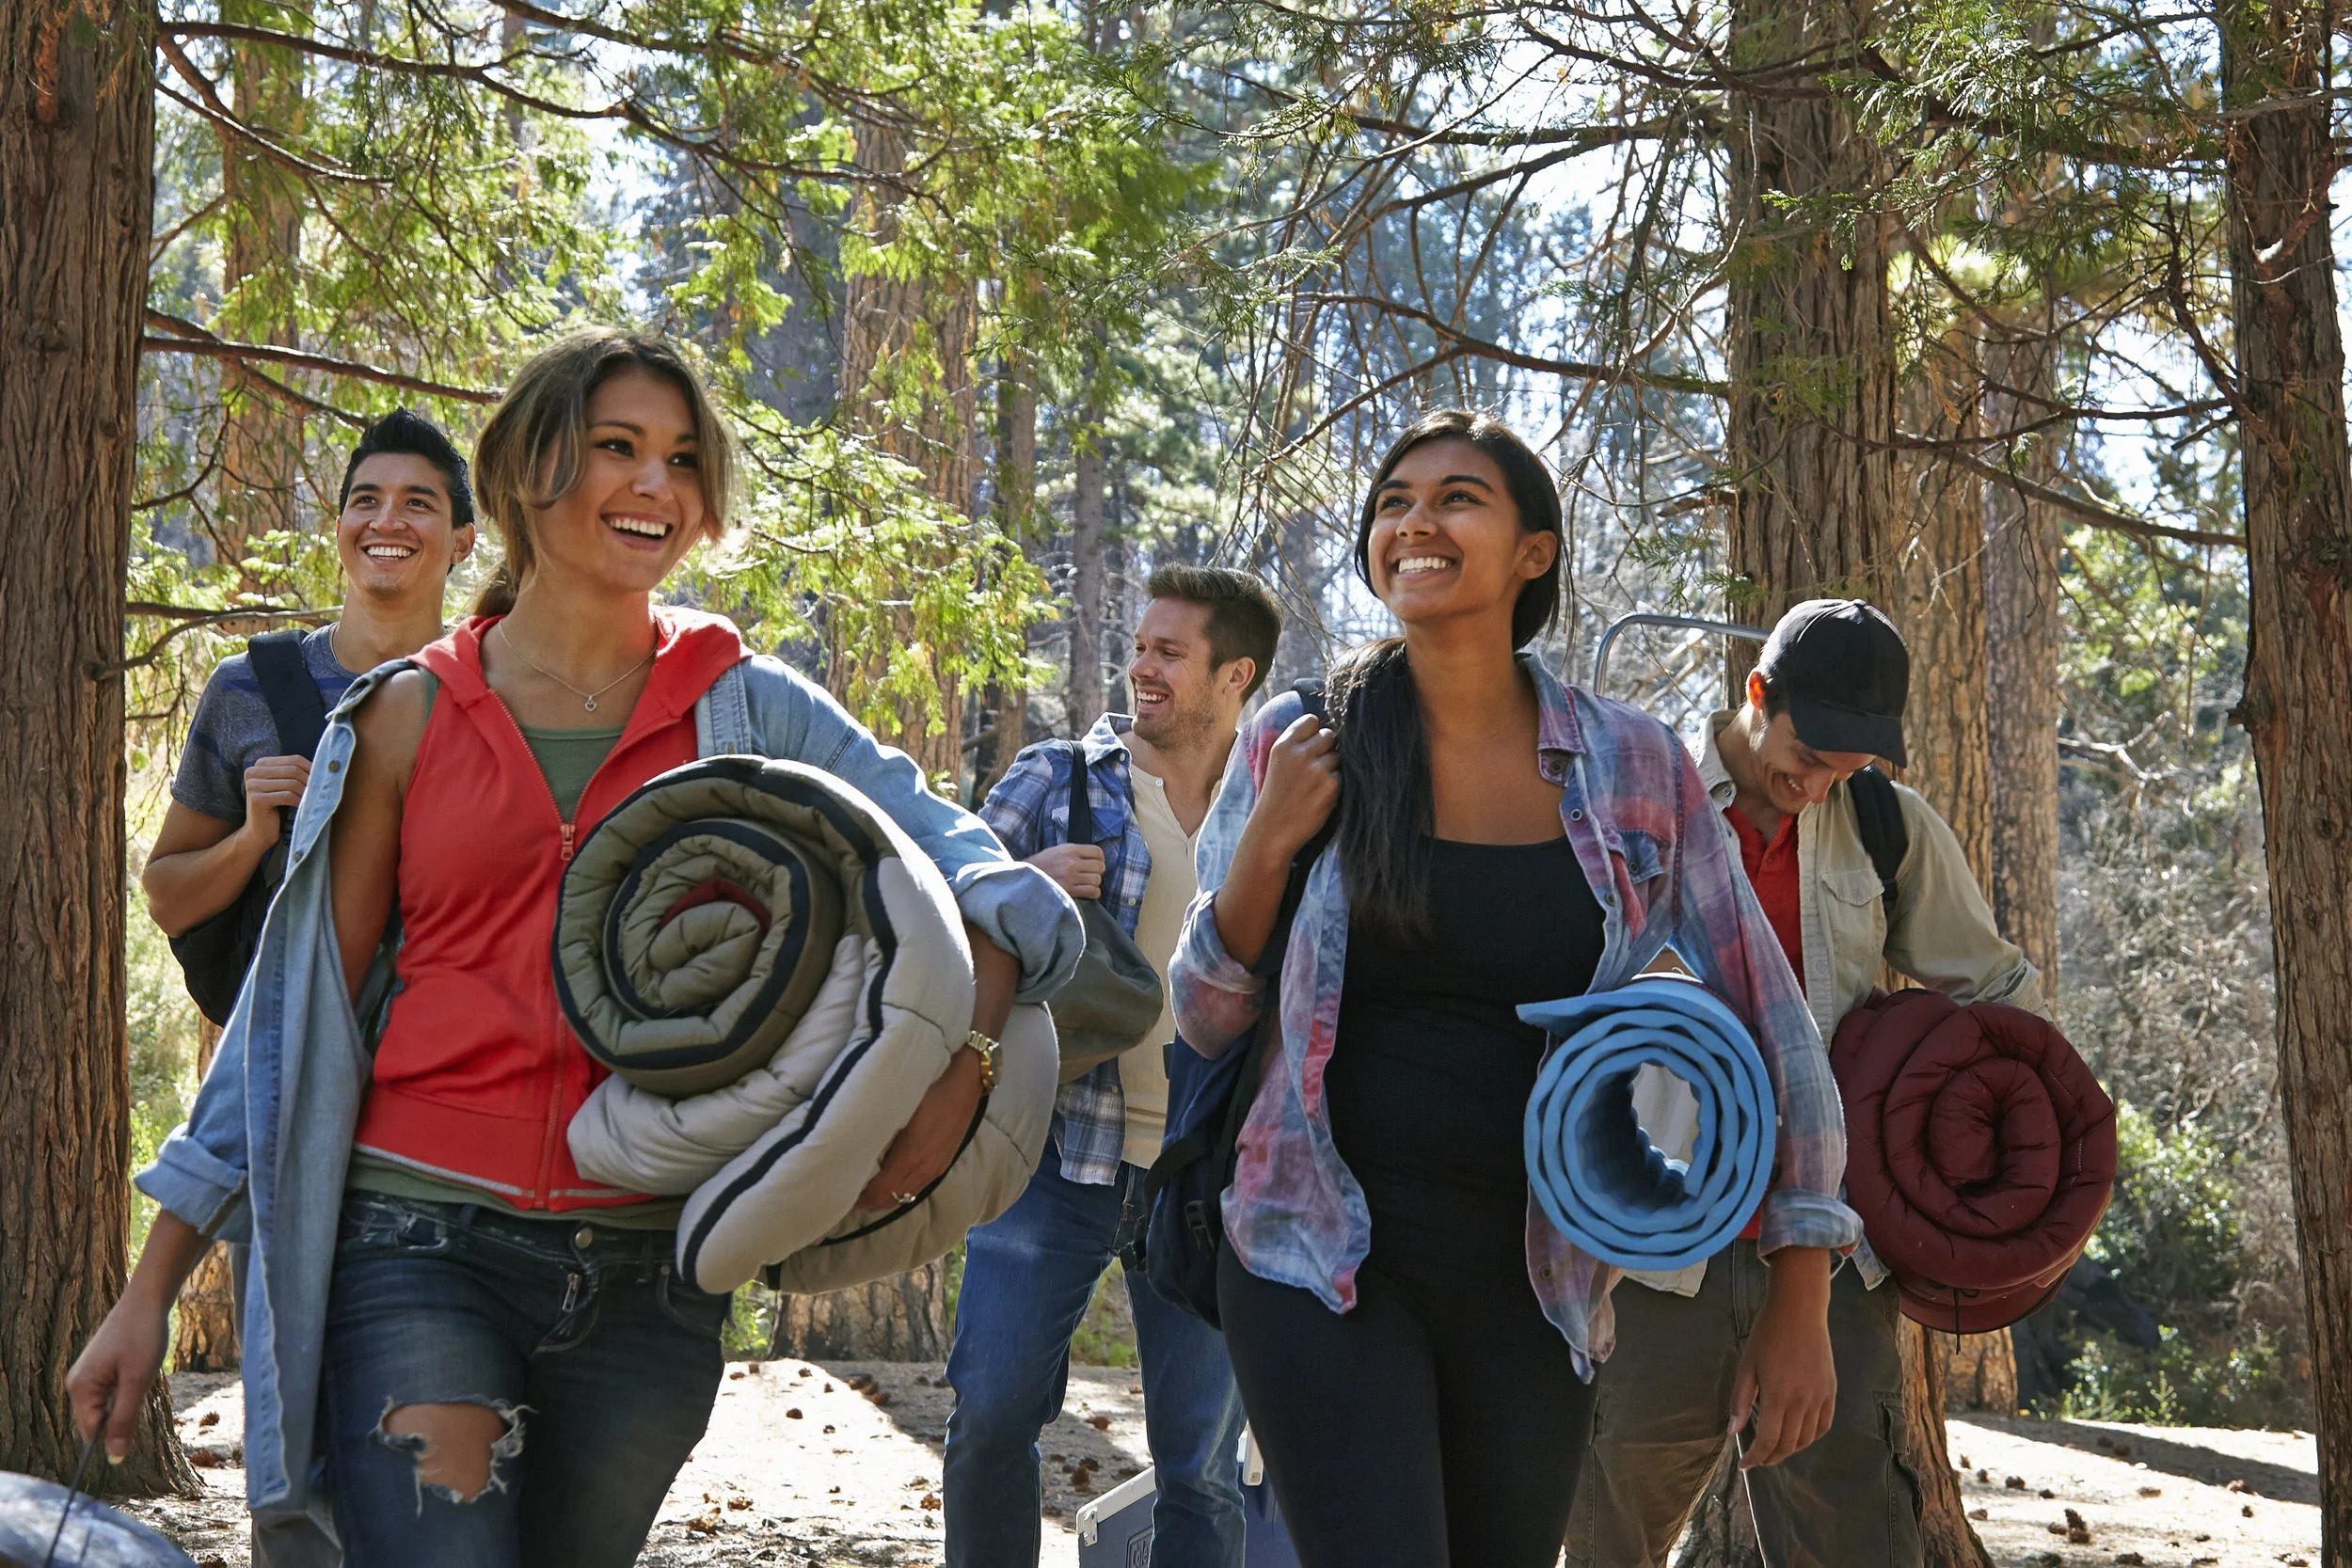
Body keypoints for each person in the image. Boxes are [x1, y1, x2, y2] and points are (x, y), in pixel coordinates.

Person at [68, 328, 1082, 1568]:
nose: (655, 482)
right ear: (524, 473)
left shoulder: (747, 705)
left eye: (682, 457)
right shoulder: (403, 715)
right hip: (415, 1243)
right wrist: (149, 1289)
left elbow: (970, 865)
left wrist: (966, 1052)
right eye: (617, 447)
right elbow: (291, 1018)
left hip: (653, 1273)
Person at [1166, 408, 1862, 1568]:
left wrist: (1801, 1284)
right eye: (1393, 501)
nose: (1414, 521)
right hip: (1314, 1249)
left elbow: (1768, 1011)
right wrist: (1266, 847)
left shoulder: (1631, 764)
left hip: (1536, 1279)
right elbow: (1202, 1010)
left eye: (1456, 498)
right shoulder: (1302, 737)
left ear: (1534, 550)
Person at [1565, 598, 2039, 1568]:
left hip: (1829, 1262)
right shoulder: (1642, 807)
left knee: (1854, 1539)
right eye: (1808, 752)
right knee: (1604, 1528)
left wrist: (2013, 1127)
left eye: (1846, 765)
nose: (1818, 782)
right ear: (1756, 692)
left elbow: (2000, 991)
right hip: (1653, 1252)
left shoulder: (1886, 827)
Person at [944, 564, 1282, 1566]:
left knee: (1201, 1470)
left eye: (1168, 652)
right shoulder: (1057, 779)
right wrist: (1026, 882)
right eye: (1139, 647)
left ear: (1235, 675)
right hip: (1052, 1157)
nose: (1141, 667)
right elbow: (934, 913)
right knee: (991, 1414)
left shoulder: (1278, 805)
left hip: (1206, 1176)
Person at [143, 410, 477, 979]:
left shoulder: (491, 692)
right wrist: (253, 840)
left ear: (461, 543)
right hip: (288, 1030)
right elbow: (167, 904)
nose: (386, 521)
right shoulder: (247, 685)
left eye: (418, 503)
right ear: (341, 525)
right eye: (366, 501)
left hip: (455, 1025)